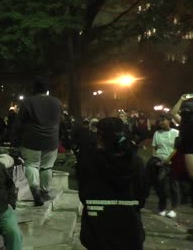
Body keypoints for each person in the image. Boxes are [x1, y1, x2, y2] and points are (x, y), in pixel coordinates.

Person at [77, 117, 146, 250]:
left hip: (97, 229)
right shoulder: (136, 162)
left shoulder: (89, 160)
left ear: (100, 136)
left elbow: (83, 193)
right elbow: (141, 196)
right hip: (129, 229)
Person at [11, 77, 62, 206]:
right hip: (51, 140)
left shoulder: (28, 102)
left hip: (31, 140)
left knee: (31, 165)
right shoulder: (57, 102)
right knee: (47, 166)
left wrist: (14, 139)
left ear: (34, 89)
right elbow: (61, 122)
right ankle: (45, 192)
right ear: (47, 89)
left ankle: (35, 191)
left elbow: (19, 122)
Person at [149, 114, 180, 218]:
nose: (161, 122)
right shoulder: (157, 133)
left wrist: (168, 160)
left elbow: (177, 149)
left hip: (173, 163)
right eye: (159, 121)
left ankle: (173, 209)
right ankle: (162, 207)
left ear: (169, 121)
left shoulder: (176, 132)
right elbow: (154, 147)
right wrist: (155, 159)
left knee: (173, 186)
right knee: (160, 185)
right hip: (159, 162)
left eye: (163, 120)